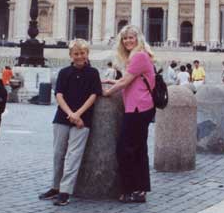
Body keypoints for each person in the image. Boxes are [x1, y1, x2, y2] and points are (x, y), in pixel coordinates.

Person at [38, 39, 102, 206]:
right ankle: (55, 187)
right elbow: (59, 95)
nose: (79, 56)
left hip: (82, 120)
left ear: (87, 54)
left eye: (82, 53)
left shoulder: (93, 73)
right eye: (76, 54)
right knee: (58, 154)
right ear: (70, 55)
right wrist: (71, 114)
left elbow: (93, 96)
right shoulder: (64, 72)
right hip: (63, 117)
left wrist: (78, 114)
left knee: (73, 156)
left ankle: (65, 191)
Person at [103, 25, 155, 203]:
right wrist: (113, 81)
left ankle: (129, 189)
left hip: (137, 108)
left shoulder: (139, 56)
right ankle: (140, 190)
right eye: (125, 38)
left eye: (131, 37)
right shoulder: (139, 56)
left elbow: (126, 81)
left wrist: (108, 92)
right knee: (139, 149)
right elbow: (132, 81)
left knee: (125, 149)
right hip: (141, 107)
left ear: (138, 38)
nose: (127, 41)